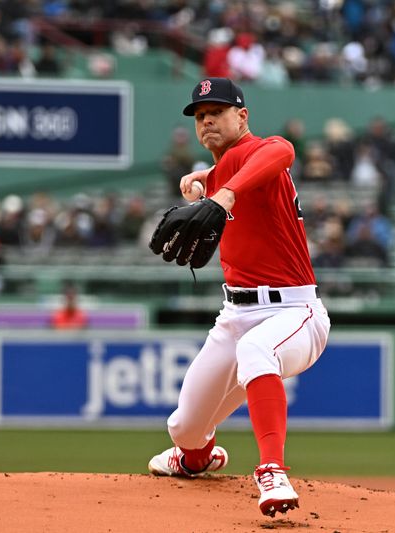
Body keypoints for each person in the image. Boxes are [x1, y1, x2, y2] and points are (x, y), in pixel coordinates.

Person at [147, 78, 331, 518]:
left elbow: (281, 150)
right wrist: (208, 180)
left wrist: (221, 190)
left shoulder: (255, 153)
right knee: (185, 428)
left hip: (293, 310)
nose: (207, 119)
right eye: (199, 115)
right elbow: (225, 174)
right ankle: (196, 458)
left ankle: (273, 471)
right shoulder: (225, 168)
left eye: (218, 111)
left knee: (257, 349)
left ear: (242, 116)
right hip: (235, 313)